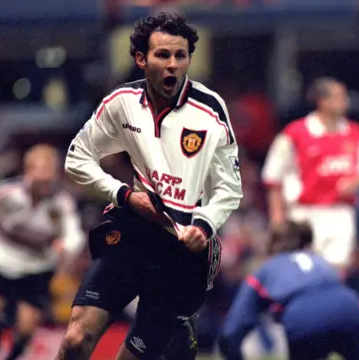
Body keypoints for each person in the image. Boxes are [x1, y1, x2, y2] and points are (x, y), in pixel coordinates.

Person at [57, 12, 242, 360]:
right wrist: (124, 195)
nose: (173, 65)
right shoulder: (121, 103)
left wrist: (204, 225)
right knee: (75, 340)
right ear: (142, 59)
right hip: (134, 234)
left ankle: (178, 332)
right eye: (162, 55)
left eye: (181, 55)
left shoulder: (211, 110)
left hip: (183, 254)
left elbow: (229, 188)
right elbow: (76, 160)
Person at [0, 144, 86, 360]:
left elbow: (74, 234)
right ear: (27, 171)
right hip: (2, 261)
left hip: (37, 268)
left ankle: (13, 355)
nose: (44, 179)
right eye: (40, 171)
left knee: (26, 330)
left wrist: (66, 247)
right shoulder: (6, 194)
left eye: (49, 173)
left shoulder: (61, 203)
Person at [218, 221, 359, 360]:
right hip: (348, 305)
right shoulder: (319, 260)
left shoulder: (265, 270)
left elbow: (233, 329)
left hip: (304, 315)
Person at [261, 77, 359, 274]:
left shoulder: (355, 133)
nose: (345, 102)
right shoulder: (295, 133)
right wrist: (277, 221)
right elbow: (273, 178)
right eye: (340, 97)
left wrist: (354, 182)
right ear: (322, 101)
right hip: (304, 214)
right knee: (303, 273)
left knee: (336, 274)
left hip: (340, 213)